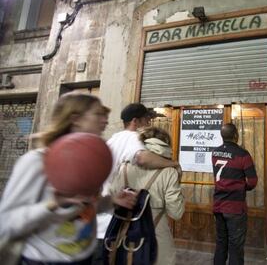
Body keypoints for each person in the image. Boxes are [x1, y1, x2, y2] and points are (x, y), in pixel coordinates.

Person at [0, 93, 137, 264]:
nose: (106, 121)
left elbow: (84, 206)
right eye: (98, 114)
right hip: (43, 260)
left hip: (83, 257)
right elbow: (6, 222)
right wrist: (51, 205)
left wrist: (111, 202)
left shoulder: (89, 160)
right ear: (75, 119)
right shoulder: (37, 161)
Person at [95, 103, 181, 263]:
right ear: (135, 121)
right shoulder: (133, 138)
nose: (149, 124)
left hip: (109, 222)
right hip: (123, 222)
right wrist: (173, 164)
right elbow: (143, 158)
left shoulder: (112, 140)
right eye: (147, 120)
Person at [109, 126, 185, 265]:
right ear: (166, 145)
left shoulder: (124, 166)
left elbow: (112, 200)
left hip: (124, 238)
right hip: (157, 241)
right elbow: (176, 213)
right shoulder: (169, 171)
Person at [212, 123, 258, 265]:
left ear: (222, 136)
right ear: (236, 135)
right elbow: (252, 181)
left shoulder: (214, 153)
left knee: (221, 243)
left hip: (218, 206)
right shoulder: (243, 155)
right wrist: (240, 186)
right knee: (236, 246)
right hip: (235, 209)